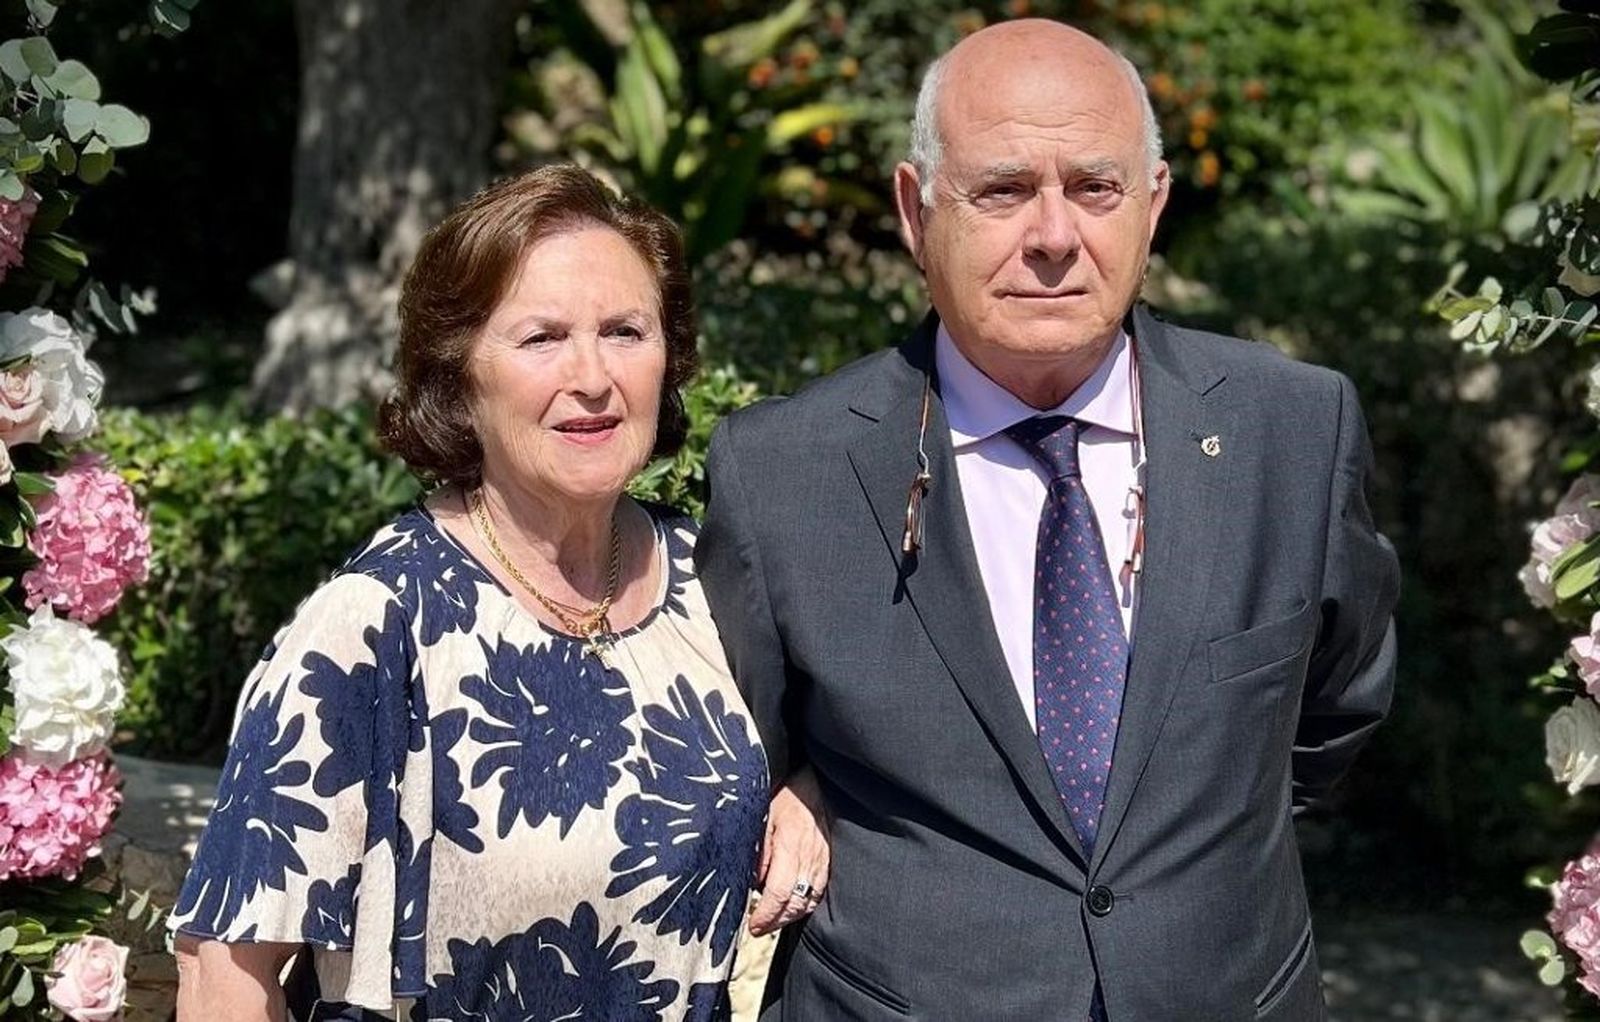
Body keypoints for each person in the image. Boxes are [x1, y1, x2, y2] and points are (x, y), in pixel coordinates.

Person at [697, 18, 1399, 1022]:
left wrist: (1185, 860)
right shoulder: (785, 473)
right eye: (1003, 189)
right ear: (914, 207)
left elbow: (1336, 708)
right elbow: (749, 755)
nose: (1055, 237)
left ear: (1151, 205)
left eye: (1096, 188)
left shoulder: (1292, 429)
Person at [171, 165, 769, 1021]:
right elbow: (225, 973)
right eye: (541, 338)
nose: (594, 376)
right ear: (458, 373)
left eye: (626, 331)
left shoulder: (710, 578)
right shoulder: (376, 625)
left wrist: (805, 796)